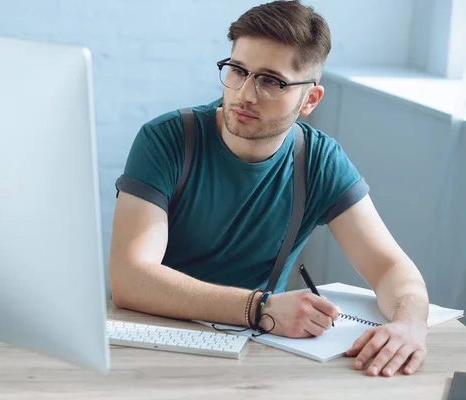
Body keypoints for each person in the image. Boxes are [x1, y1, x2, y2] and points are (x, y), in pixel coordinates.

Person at [109, 0, 429, 378]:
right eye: (238, 70)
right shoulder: (167, 140)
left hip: (254, 357)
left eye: (271, 81)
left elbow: (391, 267)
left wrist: (410, 325)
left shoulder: (319, 161)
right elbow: (129, 278)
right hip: (150, 343)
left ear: (309, 99)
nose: (246, 93)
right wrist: (258, 308)